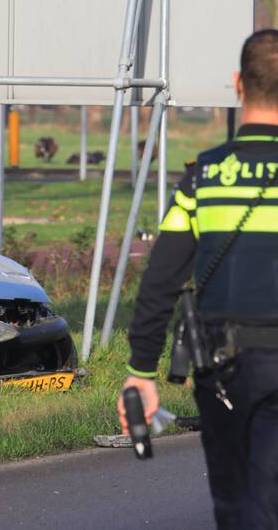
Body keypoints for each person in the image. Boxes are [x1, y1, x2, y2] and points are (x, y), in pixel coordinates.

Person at [119, 29, 278, 529]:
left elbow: (161, 279)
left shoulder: (202, 177)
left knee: (236, 506)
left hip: (221, 367)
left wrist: (141, 372)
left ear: (237, 84)